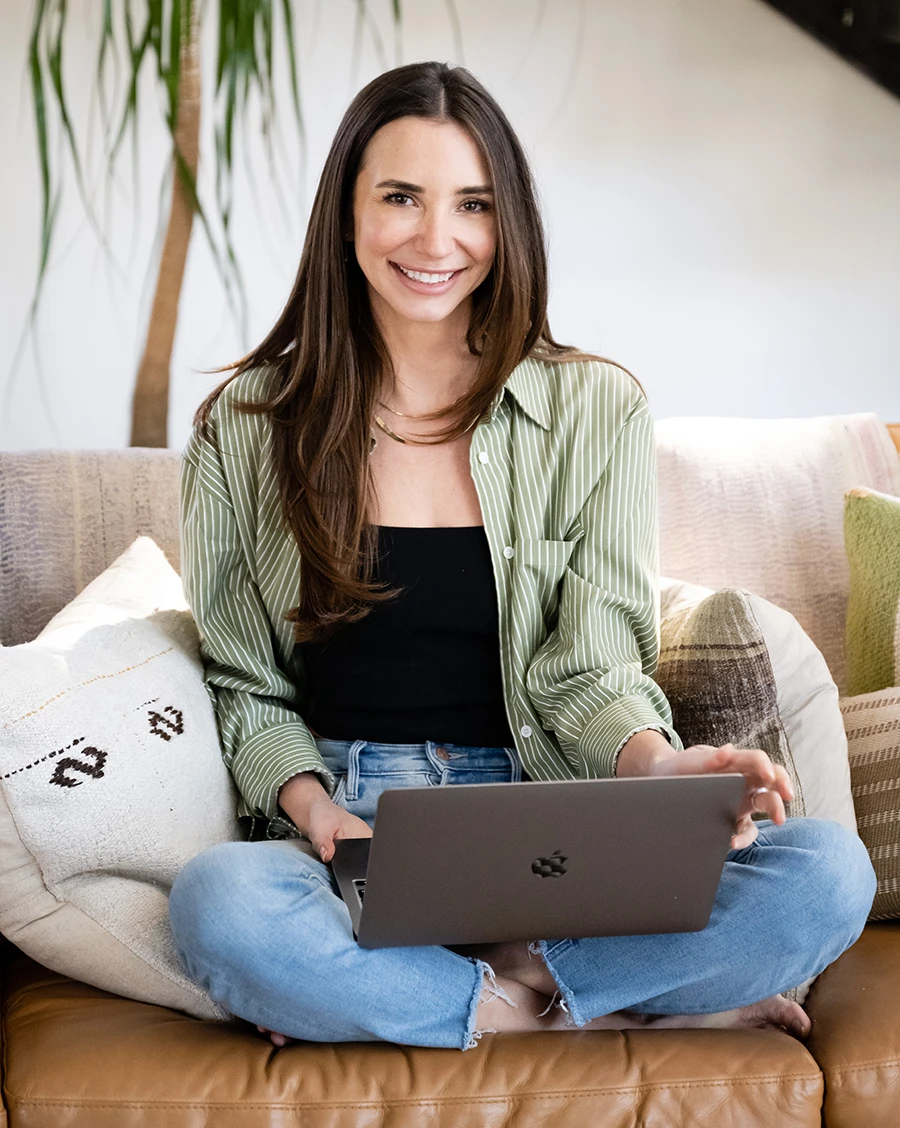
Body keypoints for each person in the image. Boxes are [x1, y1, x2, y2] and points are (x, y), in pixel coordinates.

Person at [168, 60, 876, 1053]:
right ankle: (577, 1009)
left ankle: (494, 990)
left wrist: (660, 768)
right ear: (345, 215)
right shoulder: (245, 427)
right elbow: (247, 687)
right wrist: (315, 808)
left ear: (509, 228)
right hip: (357, 832)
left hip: (550, 826)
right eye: (400, 198)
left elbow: (594, 669)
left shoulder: (596, 410)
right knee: (216, 905)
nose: (435, 238)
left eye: (473, 205)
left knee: (831, 876)